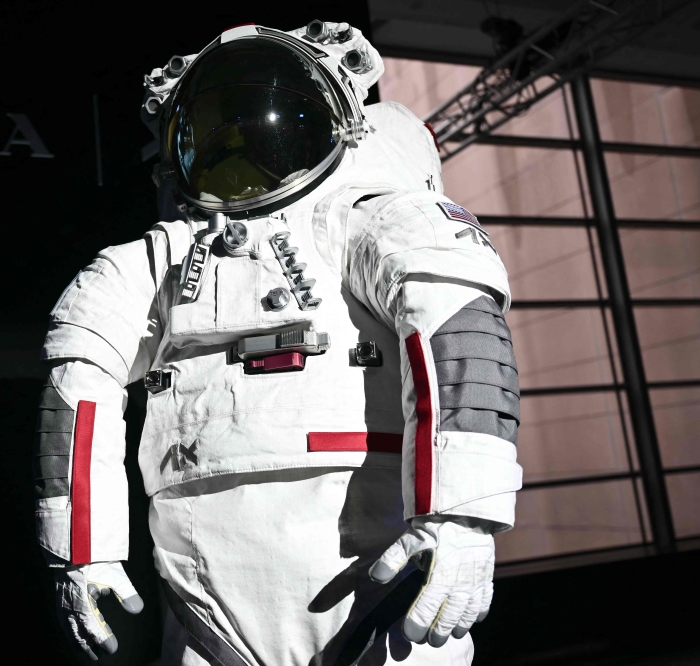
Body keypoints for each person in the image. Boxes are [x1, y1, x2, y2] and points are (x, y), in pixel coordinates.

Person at [34, 20, 521, 666]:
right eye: (220, 129)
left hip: (373, 570)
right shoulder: (166, 256)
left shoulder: (361, 217)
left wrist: (460, 519)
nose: (242, 145)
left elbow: (454, 322)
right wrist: (82, 547)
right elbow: (81, 367)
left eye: (256, 122)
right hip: (204, 588)